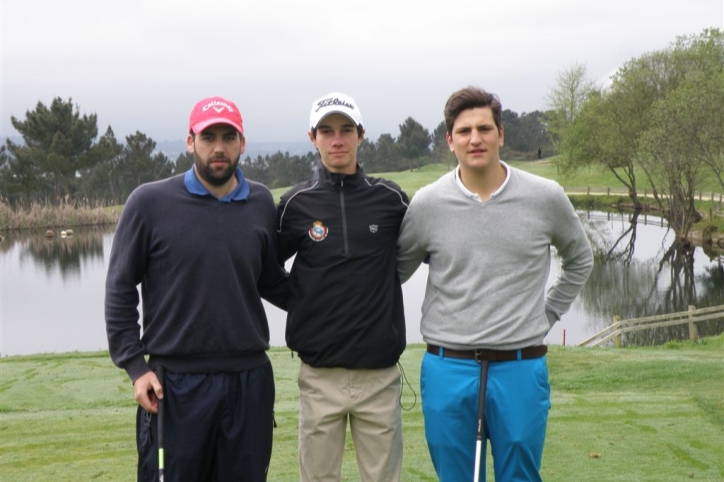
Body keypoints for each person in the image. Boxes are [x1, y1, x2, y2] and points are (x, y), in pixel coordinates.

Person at [397, 86, 593, 482]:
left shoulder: (545, 197)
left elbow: (580, 259)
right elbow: (393, 275)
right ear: (449, 140)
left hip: (520, 366)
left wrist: (548, 313)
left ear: (501, 134)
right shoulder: (427, 204)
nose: (476, 138)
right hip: (447, 367)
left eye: (485, 128)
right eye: (464, 130)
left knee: (520, 475)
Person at [105, 96, 287, 482]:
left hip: (248, 382)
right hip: (175, 387)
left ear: (242, 143)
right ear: (190, 142)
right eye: (208, 137)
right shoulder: (149, 203)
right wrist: (136, 368)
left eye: (228, 137)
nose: (218, 148)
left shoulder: (259, 202)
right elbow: (120, 287)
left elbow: (272, 282)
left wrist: (338, 289)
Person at [276, 92, 409, 482]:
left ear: (361, 135)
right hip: (320, 376)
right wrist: (301, 303)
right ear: (312, 137)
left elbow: (415, 254)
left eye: (346, 130)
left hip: (379, 376)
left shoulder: (390, 200)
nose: (337, 139)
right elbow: (266, 270)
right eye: (327, 131)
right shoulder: (295, 204)